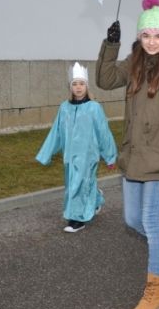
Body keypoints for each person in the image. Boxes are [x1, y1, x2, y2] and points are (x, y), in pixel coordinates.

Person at [95, 0, 159, 309]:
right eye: (146, 35)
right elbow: (105, 80)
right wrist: (111, 45)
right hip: (135, 152)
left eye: (158, 35)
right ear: (139, 37)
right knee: (132, 220)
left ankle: (154, 291)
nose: (152, 41)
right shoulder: (133, 62)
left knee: (151, 221)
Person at [36, 62, 118, 233]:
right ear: (70, 87)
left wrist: (110, 156)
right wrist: (46, 154)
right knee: (74, 183)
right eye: (75, 84)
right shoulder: (64, 108)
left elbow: (103, 132)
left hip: (88, 155)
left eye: (81, 84)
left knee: (79, 184)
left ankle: (77, 219)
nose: (78, 87)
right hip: (70, 155)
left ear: (86, 86)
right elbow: (56, 132)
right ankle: (96, 199)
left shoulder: (94, 108)